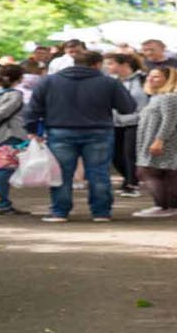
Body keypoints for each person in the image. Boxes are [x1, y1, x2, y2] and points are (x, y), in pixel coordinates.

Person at [23, 51, 136, 223]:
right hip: (99, 132)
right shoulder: (109, 83)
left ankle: (59, 212)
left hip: (59, 131)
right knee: (98, 173)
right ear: (97, 64)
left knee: (61, 173)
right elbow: (127, 107)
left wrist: (32, 129)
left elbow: (33, 109)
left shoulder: (50, 81)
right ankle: (101, 212)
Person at [131, 67, 177, 218]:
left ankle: (164, 206)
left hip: (165, 140)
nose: (150, 79)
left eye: (156, 77)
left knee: (149, 171)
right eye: (150, 76)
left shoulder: (169, 97)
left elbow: (169, 121)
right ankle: (167, 206)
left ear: (169, 79)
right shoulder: (158, 96)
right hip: (155, 139)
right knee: (164, 172)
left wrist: (159, 140)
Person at [0, 65, 30, 216]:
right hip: (7, 134)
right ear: (19, 78)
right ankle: (0, 204)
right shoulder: (15, 95)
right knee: (1, 170)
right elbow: (2, 113)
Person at [106, 54, 149, 198]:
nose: (108, 67)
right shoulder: (111, 81)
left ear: (124, 65)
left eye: (111, 63)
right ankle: (129, 178)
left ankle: (132, 184)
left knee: (130, 153)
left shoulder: (142, 80)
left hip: (137, 121)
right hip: (114, 122)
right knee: (115, 155)